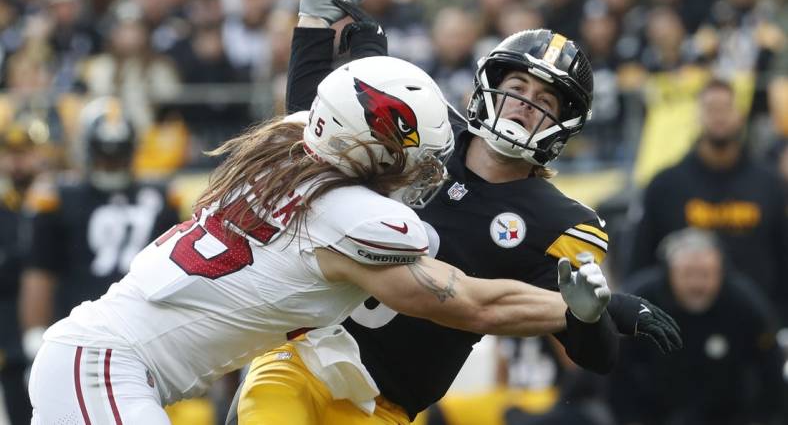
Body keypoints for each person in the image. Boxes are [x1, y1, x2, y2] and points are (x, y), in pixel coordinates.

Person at [27, 54, 614, 424]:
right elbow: (467, 301)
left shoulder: (283, 147)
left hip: (106, 356)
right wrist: (587, 310)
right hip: (107, 364)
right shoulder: (356, 218)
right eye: (411, 156)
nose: (427, 170)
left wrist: (316, 29)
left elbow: (327, 100)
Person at [228, 0, 681, 424]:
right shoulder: (427, 130)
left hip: (385, 404)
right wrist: (312, 28)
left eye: (545, 101)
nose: (525, 105)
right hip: (303, 356)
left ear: (564, 124)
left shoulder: (562, 222)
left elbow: (596, 356)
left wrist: (591, 315)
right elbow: (310, 133)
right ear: (489, 84)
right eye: (518, 88)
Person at [18, 96, 182, 368]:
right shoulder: (57, 198)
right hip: (79, 333)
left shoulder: (164, 197)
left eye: (118, 153)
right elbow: (40, 272)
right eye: (105, 153)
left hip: (146, 334)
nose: (112, 162)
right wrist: (36, 336)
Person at [626, 78, 788, 324]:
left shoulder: (770, 184)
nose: (719, 117)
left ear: (740, 115)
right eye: (711, 109)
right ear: (697, 117)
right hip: (680, 327)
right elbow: (639, 264)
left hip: (755, 326)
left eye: (726, 108)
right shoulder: (664, 185)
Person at [610, 228, 785, 425]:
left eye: (705, 274)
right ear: (670, 272)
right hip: (655, 414)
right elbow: (615, 369)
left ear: (721, 272)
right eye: (687, 274)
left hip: (729, 414)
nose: (697, 284)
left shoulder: (745, 304)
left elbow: (770, 368)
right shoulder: (639, 302)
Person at [0, 118, 46, 425]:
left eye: (26, 152)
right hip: (11, 338)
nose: (18, 162)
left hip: (57, 324)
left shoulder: (58, 204)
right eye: (11, 153)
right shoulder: (4, 209)